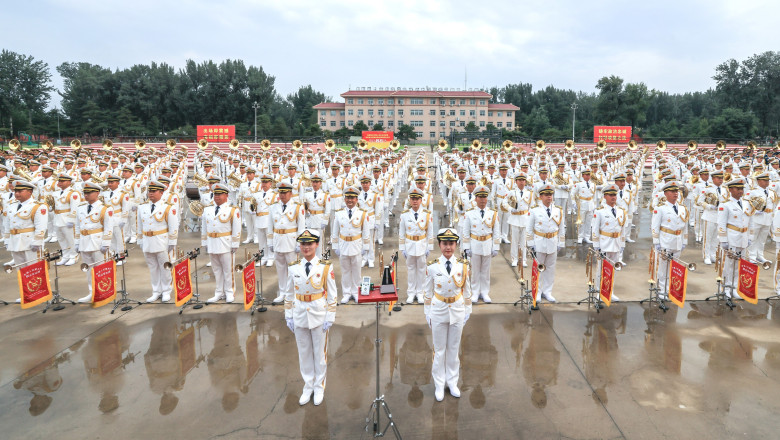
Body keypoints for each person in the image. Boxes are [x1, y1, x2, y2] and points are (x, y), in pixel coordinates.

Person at [284, 230, 337, 406]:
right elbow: (288, 293)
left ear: (316, 245)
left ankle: (319, 386)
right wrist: (288, 315)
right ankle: (308, 386)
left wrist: (330, 315)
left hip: (318, 313)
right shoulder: (293, 266)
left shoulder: (325, 266)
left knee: (319, 354)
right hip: (299, 313)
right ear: (299, 246)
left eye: (309, 244)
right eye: (303, 244)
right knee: (304, 352)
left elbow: (332, 294)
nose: (306, 247)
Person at [424, 228, 471, 402]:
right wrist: (427, 313)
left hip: (457, 310)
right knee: (439, 350)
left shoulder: (463, 265)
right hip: (438, 309)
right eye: (445, 244)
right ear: (439, 245)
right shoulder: (432, 266)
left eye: (451, 244)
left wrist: (468, 310)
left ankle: (452, 382)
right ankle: (439, 383)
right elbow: (427, 291)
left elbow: (467, 290)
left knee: (453, 349)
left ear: (456, 245)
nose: (448, 247)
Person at [137, 180, 179, 303]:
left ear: (161, 192)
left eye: (154, 191)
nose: (151, 194)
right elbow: (139, 225)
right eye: (149, 191)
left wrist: (172, 241)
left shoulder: (168, 207)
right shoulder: (142, 207)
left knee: (165, 267)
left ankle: (166, 290)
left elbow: (173, 226)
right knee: (153, 268)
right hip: (148, 241)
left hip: (162, 241)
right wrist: (140, 239)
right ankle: (156, 291)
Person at [201, 183, 242, 303]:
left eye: (220, 194)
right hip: (212, 243)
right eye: (215, 194)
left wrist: (235, 243)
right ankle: (219, 292)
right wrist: (204, 242)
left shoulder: (232, 210)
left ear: (226, 195)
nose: (217, 196)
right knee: (216, 270)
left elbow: (236, 228)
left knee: (228, 270)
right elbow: (204, 227)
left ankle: (229, 291)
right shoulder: (207, 209)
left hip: (226, 243)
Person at [75, 182, 114, 303]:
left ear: (97, 193)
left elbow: (108, 227)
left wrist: (106, 243)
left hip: (98, 242)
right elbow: (77, 226)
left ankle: (104, 291)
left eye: (89, 193)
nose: (86, 195)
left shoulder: (105, 208)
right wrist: (76, 242)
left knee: (101, 269)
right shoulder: (81, 208)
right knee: (88, 269)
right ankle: (92, 292)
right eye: (85, 193)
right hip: (84, 242)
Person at [267, 182, 306, 303]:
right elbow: (270, 226)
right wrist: (270, 242)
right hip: (278, 240)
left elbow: (301, 227)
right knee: (280, 269)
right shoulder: (273, 207)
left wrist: (299, 243)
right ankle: (283, 292)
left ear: (290, 193)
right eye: (280, 192)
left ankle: (294, 292)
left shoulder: (297, 207)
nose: (282, 195)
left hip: (291, 242)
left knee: (294, 270)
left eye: (285, 193)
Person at [526, 184, 565, 303]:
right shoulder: (534, 210)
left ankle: (547, 291)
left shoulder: (558, 210)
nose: (549, 197)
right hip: (539, 242)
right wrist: (530, 244)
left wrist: (561, 243)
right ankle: (537, 291)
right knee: (538, 269)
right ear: (541, 196)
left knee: (550, 269)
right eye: (546, 195)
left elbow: (562, 228)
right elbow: (529, 229)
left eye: (551, 195)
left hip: (552, 242)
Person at [331, 186, 370, 303]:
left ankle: (356, 292)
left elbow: (366, 232)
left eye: (352, 198)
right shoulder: (339, 214)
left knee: (357, 271)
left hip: (356, 245)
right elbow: (335, 232)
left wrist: (366, 247)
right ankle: (347, 293)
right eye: (347, 197)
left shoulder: (362, 213)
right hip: (343, 246)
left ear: (357, 199)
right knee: (345, 271)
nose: (350, 200)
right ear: (344, 199)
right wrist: (335, 246)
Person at [462, 185, 500, 303]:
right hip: (475, 244)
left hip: (487, 244)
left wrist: (496, 247)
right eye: (480, 197)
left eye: (484, 197)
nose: (483, 200)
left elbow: (496, 231)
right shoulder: (469, 213)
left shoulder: (493, 213)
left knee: (485, 271)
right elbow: (465, 232)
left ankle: (484, 292)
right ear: (475, 199)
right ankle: (475, 292)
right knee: (475, 271)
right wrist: (466, 247)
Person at [650, 181, 688, 298]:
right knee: (663, 267)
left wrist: (685, 241)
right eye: (672, 191)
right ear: (666, 193)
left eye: (676, 191)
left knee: (674, 267)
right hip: (665, 241)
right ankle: (662, 289)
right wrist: (657, 242)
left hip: (677, 241)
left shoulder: (682, 208)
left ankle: (671, 288)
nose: (675, 194)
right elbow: (655, 227)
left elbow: (685, 226)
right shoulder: (660, 208)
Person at [398, 188, 434, 303]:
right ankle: (411, 292)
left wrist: (429, 247)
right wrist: (402, 248)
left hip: (422, 245)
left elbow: (430, 232)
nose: (415, 201)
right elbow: (401, 233)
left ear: (421, 200)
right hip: (410, 245)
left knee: (422, 270)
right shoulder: (405, 215)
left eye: (417, 199)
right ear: (410, 200)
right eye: (413, 199)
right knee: (411, 270)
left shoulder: (427, 215)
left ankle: (420, 292)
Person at [591, 184, 625, 302]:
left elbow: (623, 229)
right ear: (605, 196)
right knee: (601, 269)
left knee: (612, 269)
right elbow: (595, 230)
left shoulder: (621, 211)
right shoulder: (599, 211)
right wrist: (596, 246)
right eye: (610, 195)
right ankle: (599, 292)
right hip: (604, 244)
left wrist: (622, 245)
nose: (613, 197)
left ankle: (610, 291)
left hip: (616, 243)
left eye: (614, 195)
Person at [717, 178, 750, 299]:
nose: (740, 191)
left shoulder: (747, 203)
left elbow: (749, 221)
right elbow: (721, 223)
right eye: (738, 189)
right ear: (730, 189)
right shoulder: (725, 205)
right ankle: (725, 288)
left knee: (739, 265)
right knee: (728, 265)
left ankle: (735, 288)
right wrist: (723, 240)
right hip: (731, 238)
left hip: (743, 238)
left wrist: (749, 237)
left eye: (742, 189)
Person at [502, 173, 533, 267]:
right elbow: (504, 202)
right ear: (516, 182)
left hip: (525, 218)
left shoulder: (529, 193)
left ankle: (523, 260)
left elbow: (532, 206)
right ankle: (514, 259)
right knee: (515, 241)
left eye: (523, 180)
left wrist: (530, 216)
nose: (522, 182)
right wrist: (511, 209)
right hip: (515, 218)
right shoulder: (512, 192)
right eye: (519, 180)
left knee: (524, 241)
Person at [52, 174, 81, 266]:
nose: (60, 183)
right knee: (61, 239)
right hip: (57, 218)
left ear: (69, 182)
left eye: (62, 181)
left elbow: (75, 208)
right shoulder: (56, 193)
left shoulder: (73, 193)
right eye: (59, 181)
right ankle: (65, 256)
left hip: (67, 219)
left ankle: (74, 256)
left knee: (70, 239)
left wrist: (72, 220)